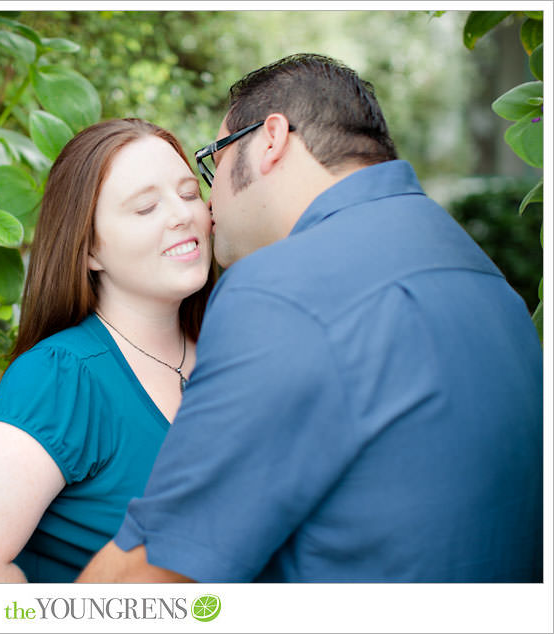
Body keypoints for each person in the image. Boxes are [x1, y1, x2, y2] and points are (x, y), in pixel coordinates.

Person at [78, 54, 543, 583]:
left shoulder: (281, 289)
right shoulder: (487, 282)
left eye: (214, 162)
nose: (208, 202)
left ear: (270, 139)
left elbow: (153, 577)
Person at [0, 118, 216, 582]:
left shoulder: (229, 347)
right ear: (90, 248)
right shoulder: (62, 378)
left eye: (189, 193)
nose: (182, 214)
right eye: (146, 207)